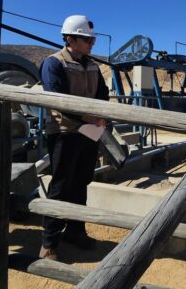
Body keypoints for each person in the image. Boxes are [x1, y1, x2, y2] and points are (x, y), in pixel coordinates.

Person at [38, 15, 109, 261]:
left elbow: (103, 95)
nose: (92, 43)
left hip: (89, 132)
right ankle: (49, 243)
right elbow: (57, 99)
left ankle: (76, 231)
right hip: (64, 132)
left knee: (81, 181)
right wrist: (88, 118)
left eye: (92, 39)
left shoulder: (92, 66)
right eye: (87, 39)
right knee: (61, 184)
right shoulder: (53, 63)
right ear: (70, 39)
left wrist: (100, 117)